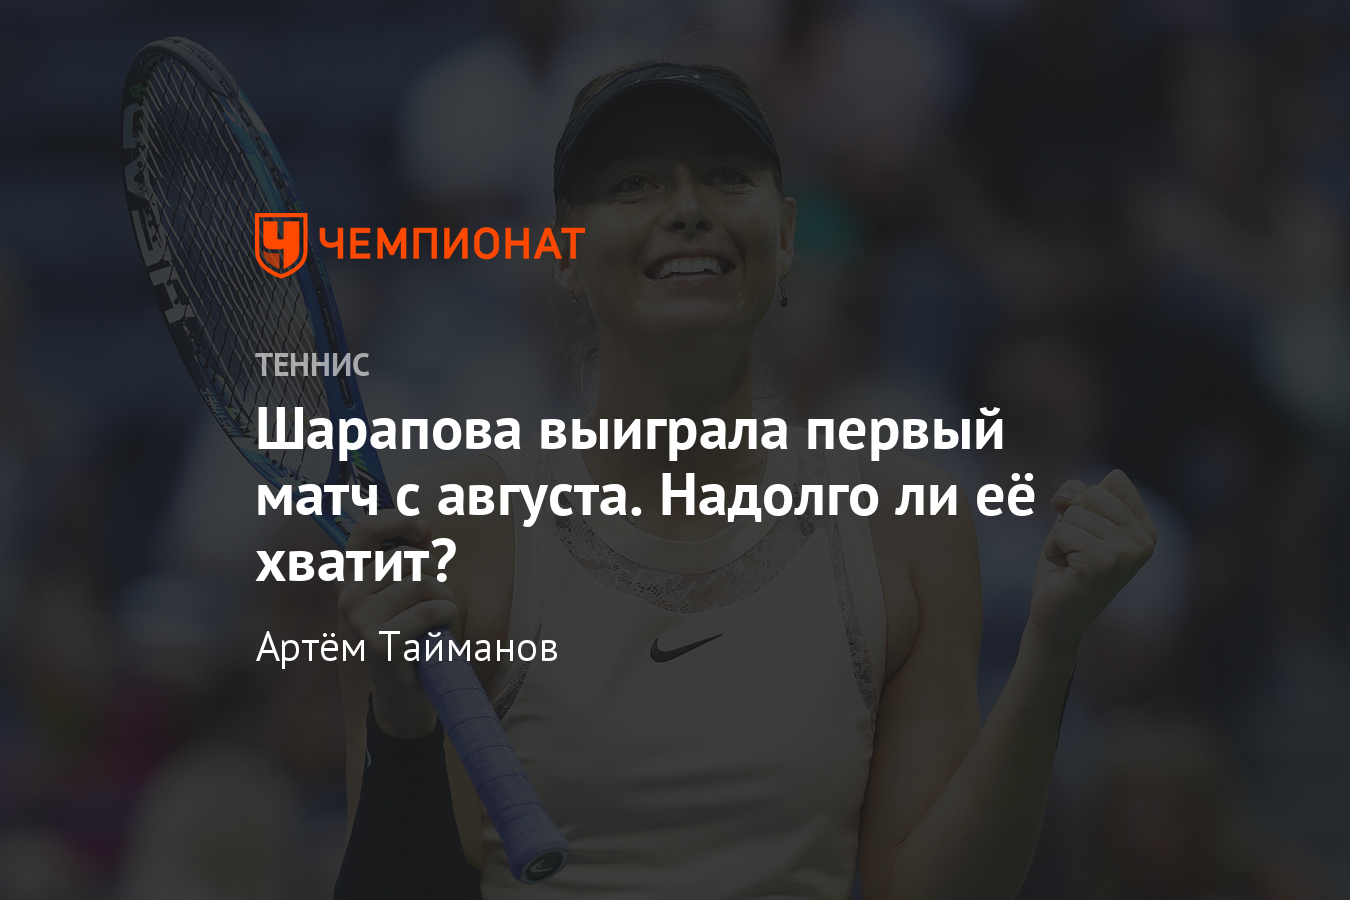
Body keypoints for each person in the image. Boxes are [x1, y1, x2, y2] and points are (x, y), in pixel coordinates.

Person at [332, 61, 1157, 899]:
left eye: (727, 176)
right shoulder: (450, 531)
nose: (688, 208)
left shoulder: (907, 524)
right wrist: (399, 724)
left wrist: (1052, 649)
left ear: (786, 235)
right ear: (566, 253)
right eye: (633, 183)